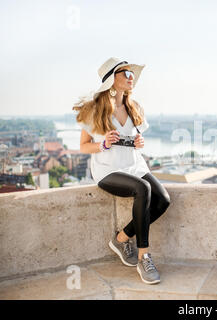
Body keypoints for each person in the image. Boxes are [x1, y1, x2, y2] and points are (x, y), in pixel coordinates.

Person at [72, 57, 171, 284]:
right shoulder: (94, 110)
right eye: (124, 73)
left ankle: (122, 237)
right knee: (143, 188)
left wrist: (139, 142)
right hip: (108, 170)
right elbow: (84, 145)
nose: (130, 77)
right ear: (111, 81)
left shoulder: (135, 108)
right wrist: (103, 144)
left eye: (131, 73)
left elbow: (135, 136)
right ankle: (143, 257)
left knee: (163, 200)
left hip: (135, 165)